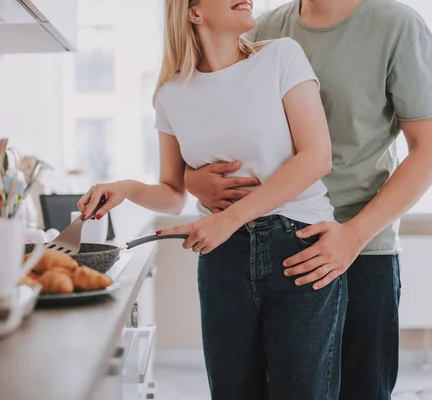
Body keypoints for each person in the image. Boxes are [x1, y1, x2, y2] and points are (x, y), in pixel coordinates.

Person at [79, 0, 347, 398]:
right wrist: (128, 189)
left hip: (300, 248)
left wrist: (228, 218)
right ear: (193, 12)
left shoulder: (281, 56)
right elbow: (173, 194)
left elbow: (316, 157)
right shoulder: (170, 94)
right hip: (224, 260)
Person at [183, 0, 432, 398]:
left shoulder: (396, 25)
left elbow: (427, 150)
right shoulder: (260, 29)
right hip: (276, 248)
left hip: (361, 250)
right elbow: (220, 126)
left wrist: (353, 236)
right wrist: (191, 178)